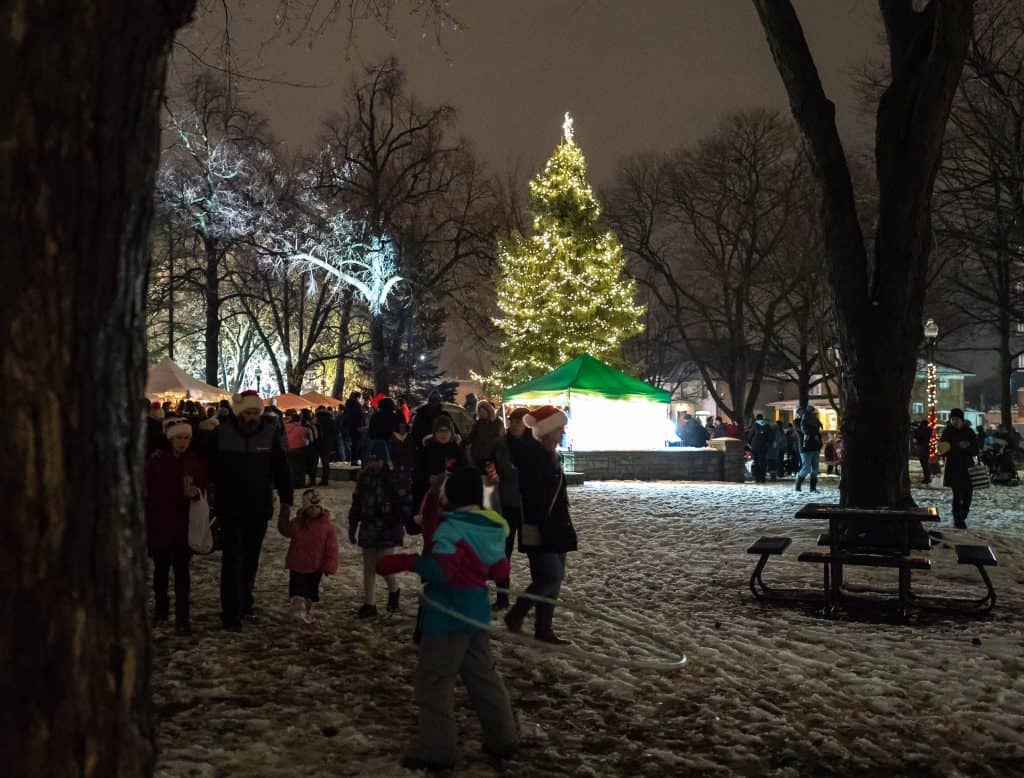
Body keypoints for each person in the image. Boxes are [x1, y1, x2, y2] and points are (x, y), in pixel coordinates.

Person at [375, 467, 519, 771]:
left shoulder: (451, 529)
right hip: (476, 612)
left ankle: (437, 748)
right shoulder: (490, 526)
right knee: (483, 676)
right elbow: (500, 571)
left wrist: (404, 561)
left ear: (450, 496)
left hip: (447, 615)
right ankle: (503, 736)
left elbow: (443, 572)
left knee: (434, 681)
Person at [206, 390, 293, 631]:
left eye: (256, 412)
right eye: (249, 412)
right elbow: (207, 463)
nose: (253, 416)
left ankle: (245, 600)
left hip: (258, 506)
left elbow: (281, 468)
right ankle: (231, 610)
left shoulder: (269, 433)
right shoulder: (221, 433)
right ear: (239, 412)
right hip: (230, 506)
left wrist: (287, 498)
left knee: (251, 558)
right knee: (232, 558)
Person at [504, 405, 577, 645]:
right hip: (539, 526)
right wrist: (544, 524)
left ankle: (544, 627)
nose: (563, 432)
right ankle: (516, 614)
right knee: (550, 577)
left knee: (553, 578)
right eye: (560, 428)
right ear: (547, 430)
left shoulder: (552, 454)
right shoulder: (532, 456)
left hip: (558, 524)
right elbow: (533, 495)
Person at [145, 416, 207, 636]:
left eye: (187, 437)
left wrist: (197, 494)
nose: (183, 441)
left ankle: (182, 618)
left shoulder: (194, 463)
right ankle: (161, 611)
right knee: (160, 572)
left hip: (183, 526)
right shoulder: (156, 461)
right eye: (179, 437)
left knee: (182, 574)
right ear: (170, 438)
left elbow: (205, 488)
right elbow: (147, 491)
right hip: (160, 524)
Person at [348, 444, 406, 618]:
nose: (373, 463)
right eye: (371, 460)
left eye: (377, 460)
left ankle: (394, 590)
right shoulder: (364, 478)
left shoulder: (394, 478)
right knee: (369, 567)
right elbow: (357, 501)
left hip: (388, 527)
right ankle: (369, 603)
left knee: (384, 565)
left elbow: (403, 503)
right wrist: (353, 523)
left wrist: (397, 519)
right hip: (369, 526)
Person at [278, 488, 339, 624]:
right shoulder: (297, 523)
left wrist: (330, 564)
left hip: (316, 566)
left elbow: (332, 548)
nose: (314, 510)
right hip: (297, 564)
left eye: (317, 506)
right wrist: (284, 513)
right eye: (310, 507)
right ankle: (298, 608)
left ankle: (307, 608)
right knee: (297, 590)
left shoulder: (327, 528)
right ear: (305, 508)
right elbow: (285, 530)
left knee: (311, 591)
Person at [490, 407, 530, 611]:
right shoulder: (502, 445)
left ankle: (535, 597)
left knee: (534, 552)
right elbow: (491, 464)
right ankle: (502, 596)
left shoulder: (533, 446)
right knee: (502, 553)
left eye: (519, 421)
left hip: (528, 507)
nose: (515, 424)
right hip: (505, 504)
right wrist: (493, 473)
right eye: (513, 420)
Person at [413, 415, 466, 518]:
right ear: (434, 432)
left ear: (451, 432)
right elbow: (416, 473)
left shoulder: (456, 449)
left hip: (453, 498)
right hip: (431, 498)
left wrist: (453, 477)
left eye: (446, 430)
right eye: (440, 431)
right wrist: (428, 478)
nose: (443, 434)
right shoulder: (427, 450)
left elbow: (465, 470)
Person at [939, 408, 978, 529]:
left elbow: (975, 450)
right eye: (952, 419)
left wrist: (966, 448)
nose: (955, 421)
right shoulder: (947, 432)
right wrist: (955, 447)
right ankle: (958, 519)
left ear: (962, 420)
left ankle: (964, 513)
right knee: (957, 494)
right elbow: (942, 450)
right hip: (954, 467)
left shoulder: (969, 432)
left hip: (967, 468)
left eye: (957, 419)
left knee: (968, 494)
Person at [466, 400, 505, 467]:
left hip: (491, 455)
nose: (482, 414)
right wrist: (464, 442)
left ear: (488, 411)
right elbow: (472, 435)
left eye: (483, 412)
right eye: (480, 412)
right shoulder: (479, 422)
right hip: (477, 454)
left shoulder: (498, 422)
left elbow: (501, 438)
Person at [795, 405, 822, 493]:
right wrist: (813, 431)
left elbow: (817, 431)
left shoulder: (813, 420)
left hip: (815, 446)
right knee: (806, 468)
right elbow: (804, 432)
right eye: (800, 412)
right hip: (805, 447)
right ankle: (798, 486)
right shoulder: (797, 421)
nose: (802, 413)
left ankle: (813, 488)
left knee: (815, 468)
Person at [367, 396, 399, 461]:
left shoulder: (376, 416)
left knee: (381, 459)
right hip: (392, 441)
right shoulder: (395, 416)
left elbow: (371, 429)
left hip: (378, 441)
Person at [746, 414, 773, 484]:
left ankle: (757, 477)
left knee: (756, 461)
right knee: (763, 461)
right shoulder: (767, 426)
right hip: (764, 446)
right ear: (762, 418)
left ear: (756, 419)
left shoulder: (755, 425)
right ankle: (763, 477)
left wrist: (749, 443)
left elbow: (750, 436)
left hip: (755, 446)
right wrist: (768, 444)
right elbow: (771, 437)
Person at [314, 405, 338, 486]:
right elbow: (335, 432)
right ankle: (325, 479)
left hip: (317, 443)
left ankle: (312, 479)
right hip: (327, 443)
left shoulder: (316, 419)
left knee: (314, 462)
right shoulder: (331, 420)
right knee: (325, 462)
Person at [342, 391, 365, 466]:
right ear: (357, 397)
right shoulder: (357, 405)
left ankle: (353, 459)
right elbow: (360, 416)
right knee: (356, 444)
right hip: (357, 427)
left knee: (353, 444)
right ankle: (354, 460)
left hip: (350, 427)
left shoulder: (348, 405)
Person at [912, 418, 933, 484]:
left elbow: (917, 436)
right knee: (925, 464)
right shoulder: (928, 429)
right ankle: (927, 478)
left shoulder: (923, 430)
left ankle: (927, 478)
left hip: (922, 447)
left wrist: (916, 429)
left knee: (924, 464)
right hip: (926, 447)